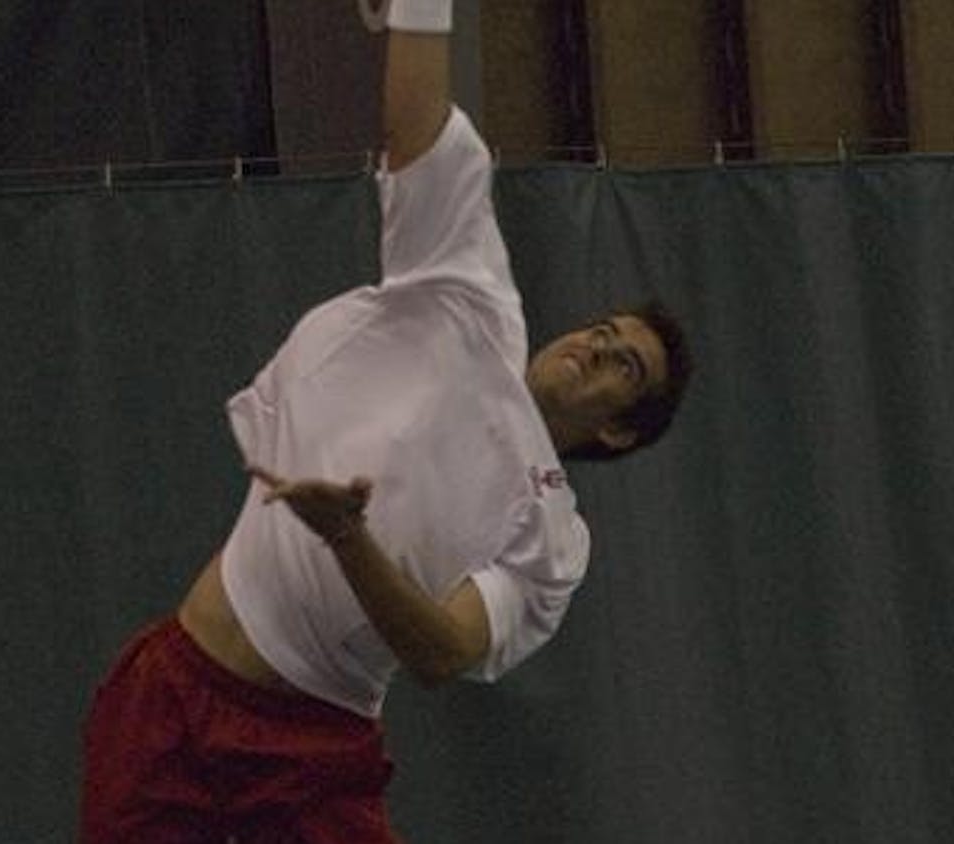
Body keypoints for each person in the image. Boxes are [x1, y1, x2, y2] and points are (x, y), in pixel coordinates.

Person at [80, 1, 692, 841]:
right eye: (603, 328)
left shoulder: (554, 542)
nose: (595, 345)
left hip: (311, 755)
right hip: (172, 699)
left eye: (624, 364)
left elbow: (442, 651)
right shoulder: (471, 297)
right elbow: (419, 137)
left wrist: (347, 538)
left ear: (620, 430)